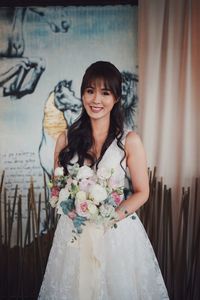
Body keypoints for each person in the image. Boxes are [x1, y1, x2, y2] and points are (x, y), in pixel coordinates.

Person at [38, 61, 169, 299]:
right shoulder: (65, 139)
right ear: (82, 94)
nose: (96, 100)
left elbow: (142, 191)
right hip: (75, 233)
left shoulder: (130, 140)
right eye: (90, 91)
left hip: (116, 233)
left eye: (105, 93)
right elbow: (56, 190)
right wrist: (72, 211)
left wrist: (110, 218)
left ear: (116, 97)